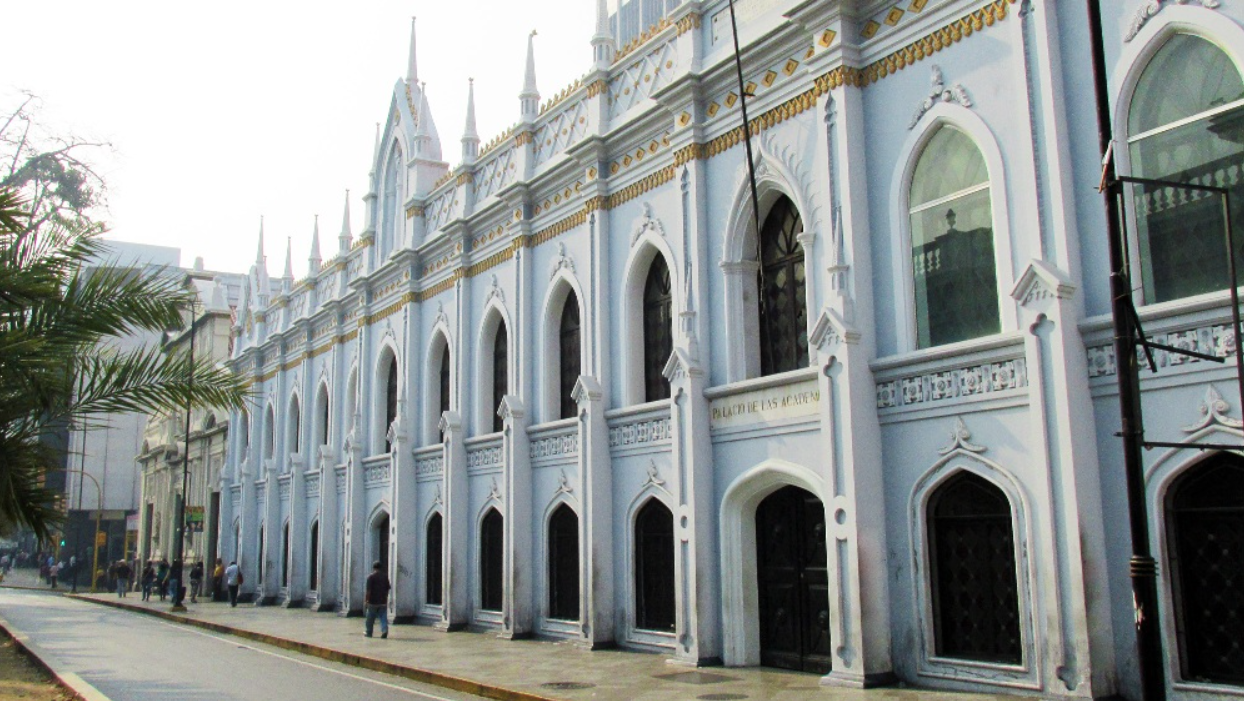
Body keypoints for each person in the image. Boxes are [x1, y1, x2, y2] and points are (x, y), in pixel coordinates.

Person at [363, 560, 391, 639]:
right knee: (383, 617)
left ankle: (369, 632)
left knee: (370, 618)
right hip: (382, 601)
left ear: (373, 568)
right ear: (381, 568)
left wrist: (366, 601)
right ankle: (384, 630)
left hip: (373, 601)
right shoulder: (385, 577)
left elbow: (368, 591)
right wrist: (385, 598)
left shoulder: (370, 577)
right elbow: (387, 589)